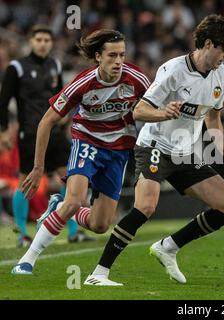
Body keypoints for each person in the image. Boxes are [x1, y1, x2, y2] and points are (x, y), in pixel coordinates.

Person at [84, 14, 224, 286]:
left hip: (185, 152)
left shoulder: (223, 76)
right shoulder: (173, 71)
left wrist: (222, 144)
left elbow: (213, 118)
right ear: (207, 44)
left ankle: (168, 247)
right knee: (146, 206)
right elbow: (139, 110)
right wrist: (163, 113)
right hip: (154, 145)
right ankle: (98, 273)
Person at [11, 29, 150, 275]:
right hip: (87, 143)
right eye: (112, 56)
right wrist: (38, 168)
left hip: (118, 151)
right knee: (74, 200)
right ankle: (27, 260)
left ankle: (60, 208)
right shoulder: (83, 82)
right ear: (98, 56)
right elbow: (46, 121)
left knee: (100, 225)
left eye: (122, 55)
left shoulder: (137, 79)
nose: (118, 61)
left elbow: (151, 106)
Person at [0, 25, 91, 247]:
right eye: (38, 39)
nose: (43, 43)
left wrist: (66, 119)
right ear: (31, 42)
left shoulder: (55, 65)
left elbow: (63, 97)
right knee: (26, 180)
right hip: (30, 132)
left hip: (56, 131)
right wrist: (3, 131)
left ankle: (72, 231)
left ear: (51, 43)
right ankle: (21, 232)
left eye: (47, 40)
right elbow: (3, 102)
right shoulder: (16, 67)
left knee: (69, 177)